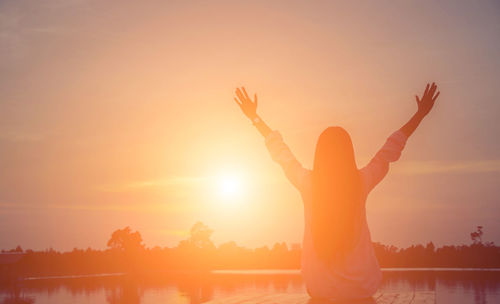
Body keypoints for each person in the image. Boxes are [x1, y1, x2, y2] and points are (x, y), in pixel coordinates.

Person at [233, 83, 440, 301]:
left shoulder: (308, 183)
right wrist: (420, 115)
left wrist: (254, 119)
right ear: (348, 154)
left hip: (320, 289)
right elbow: (390, 148)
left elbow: (281, 152)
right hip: (360, 289)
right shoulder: (360, 181)